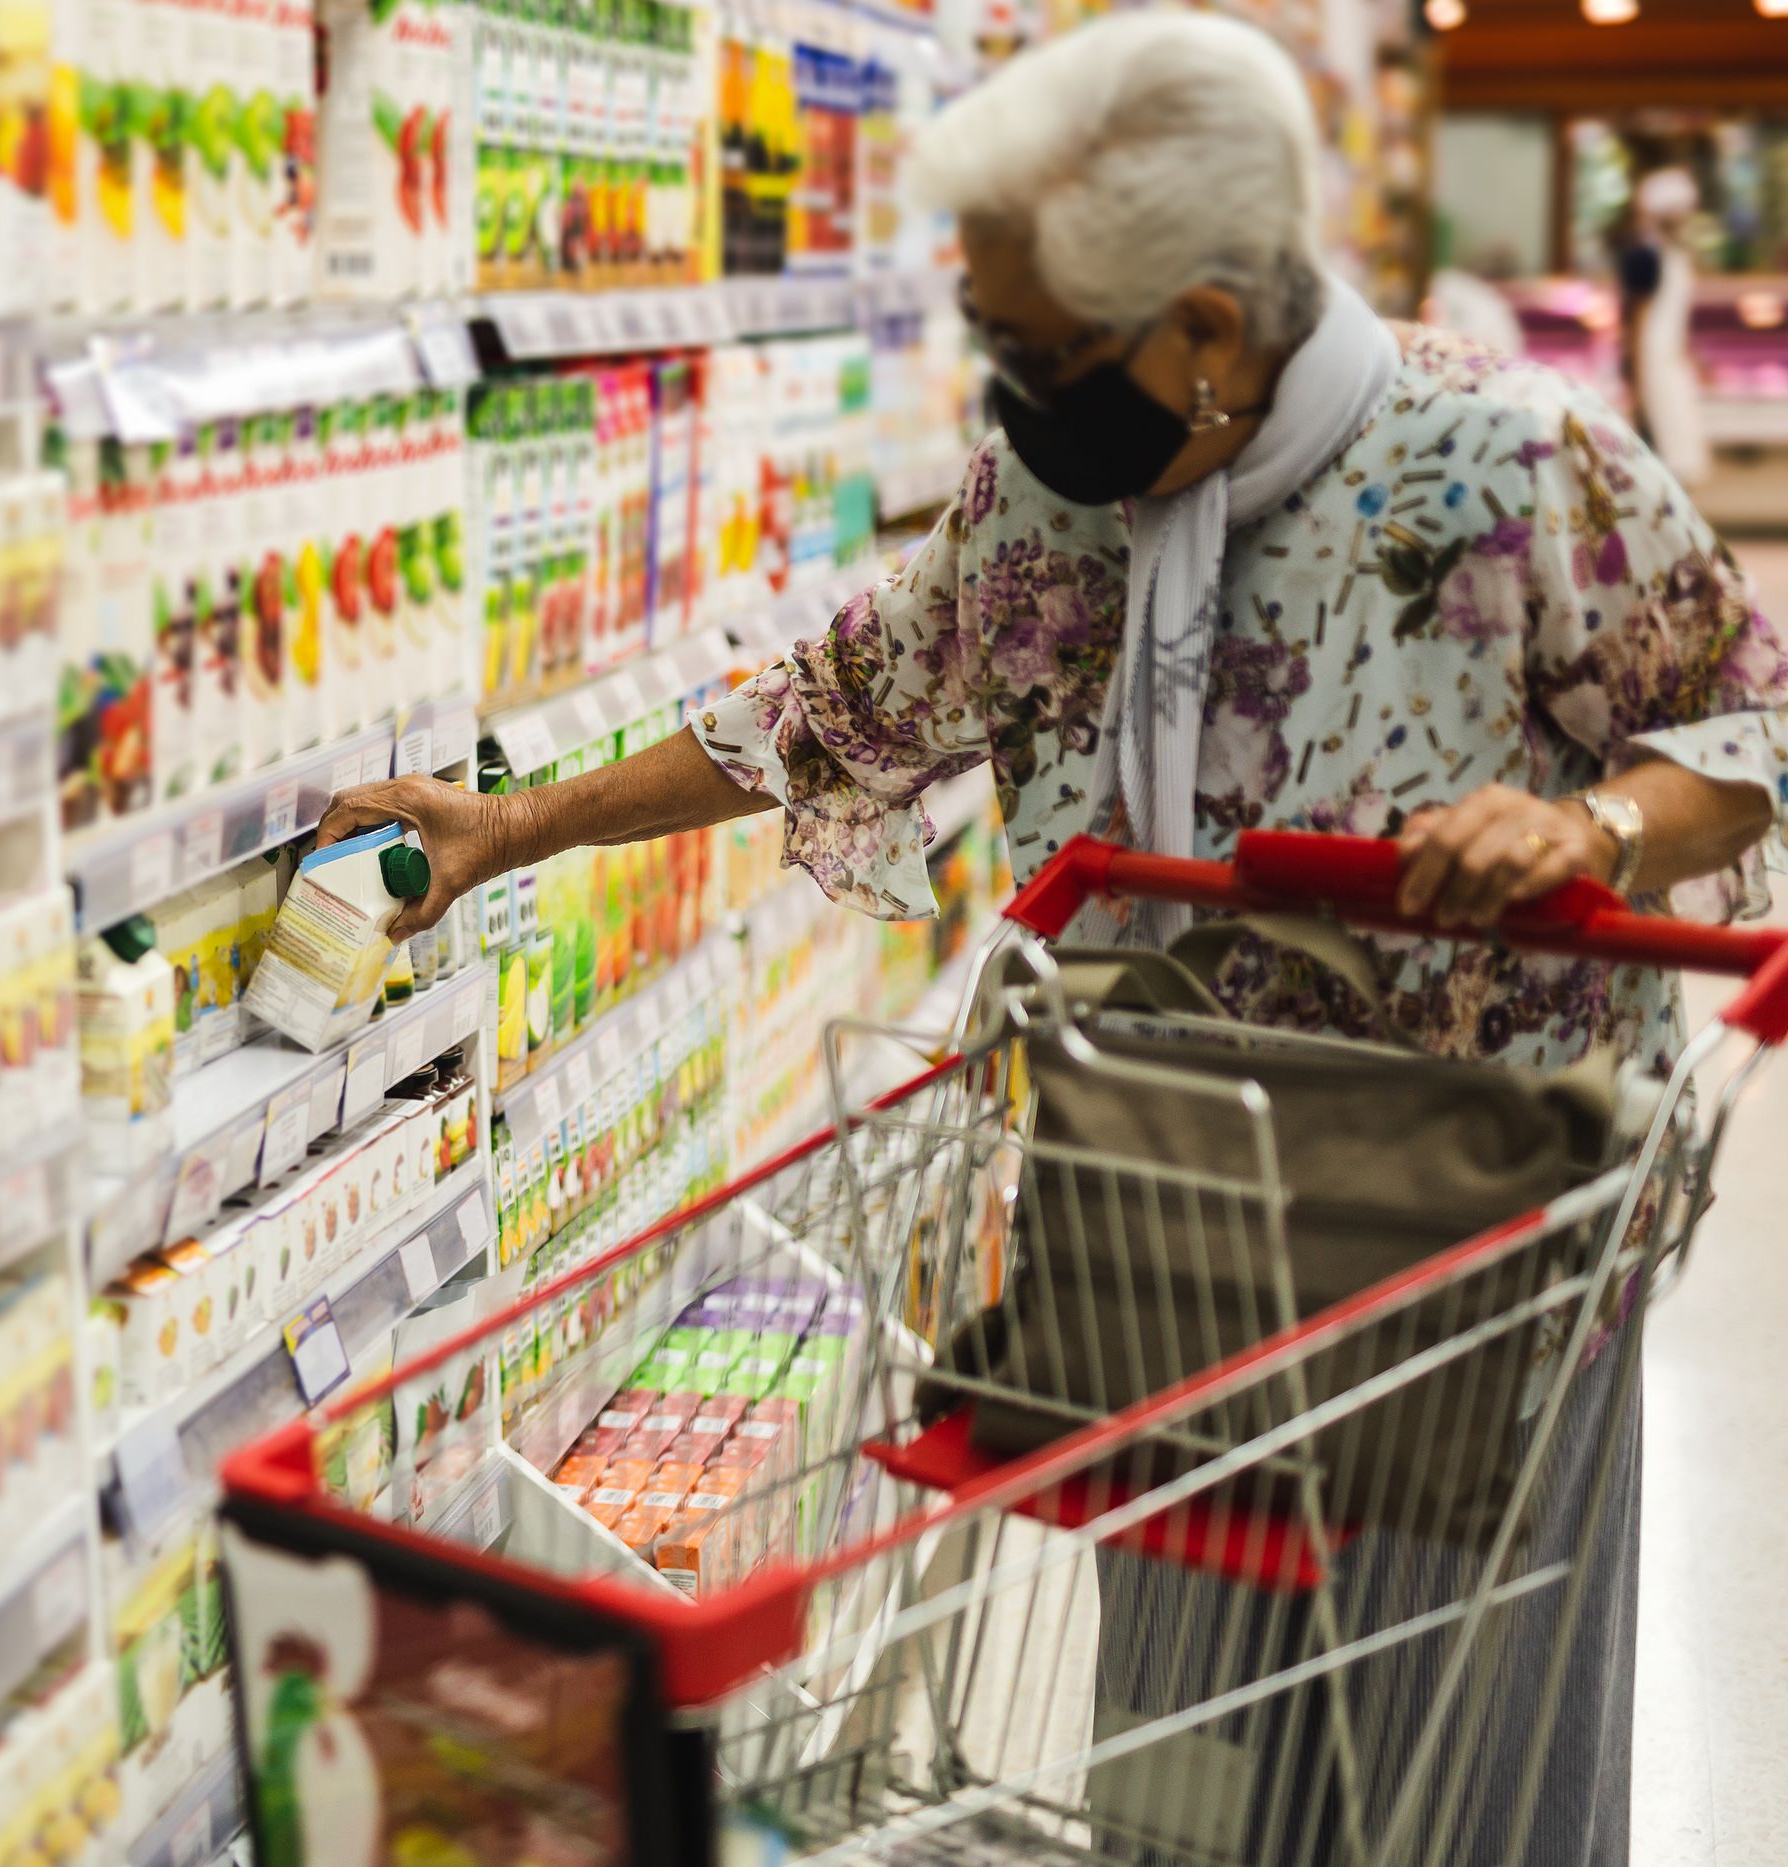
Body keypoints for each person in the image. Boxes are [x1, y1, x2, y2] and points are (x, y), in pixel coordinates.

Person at [319, 13, 1785, 1864]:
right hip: (1165, 1229)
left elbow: (1746, 728)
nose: (1008, 385)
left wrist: (1593, 826)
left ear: (1205, 322)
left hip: (1469, 1251)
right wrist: (515, 825)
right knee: (1185, 1760)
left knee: (1461, 1759)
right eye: (989, 330)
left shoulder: (1510, 462)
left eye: (1038, 344)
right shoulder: (1046, 502)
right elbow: (832, 711)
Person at [1617, 164, 1712, 486]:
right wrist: (1636, 373)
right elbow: (1637, 317)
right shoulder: (1645, 255)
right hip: (1653, 355)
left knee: (1675, 434)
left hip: (1670, 354)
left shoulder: (1671, 253)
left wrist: (1690, 355)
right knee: (1661, 433)